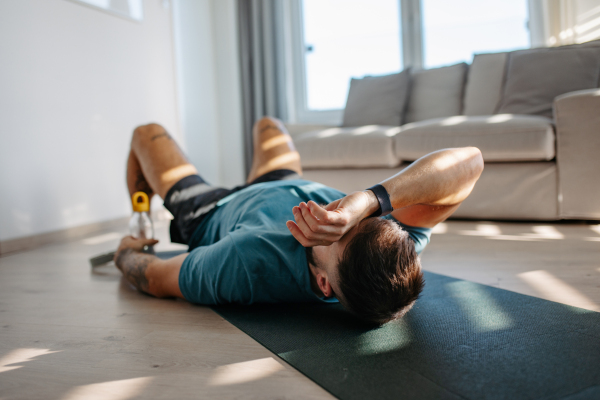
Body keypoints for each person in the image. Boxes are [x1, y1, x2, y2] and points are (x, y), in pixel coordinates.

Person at [115, 117, 483, 324]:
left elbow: (156, 278)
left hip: (215, 208)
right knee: (269, 125)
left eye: (336, 234)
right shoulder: (399, 245)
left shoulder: (245, 264)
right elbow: (471, 162)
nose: (340, 217)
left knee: (145, 133)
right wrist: (370, 201)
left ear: (324, 284)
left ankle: (139, 214)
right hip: (287, 184)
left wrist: (126, 252)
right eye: (360, 222)